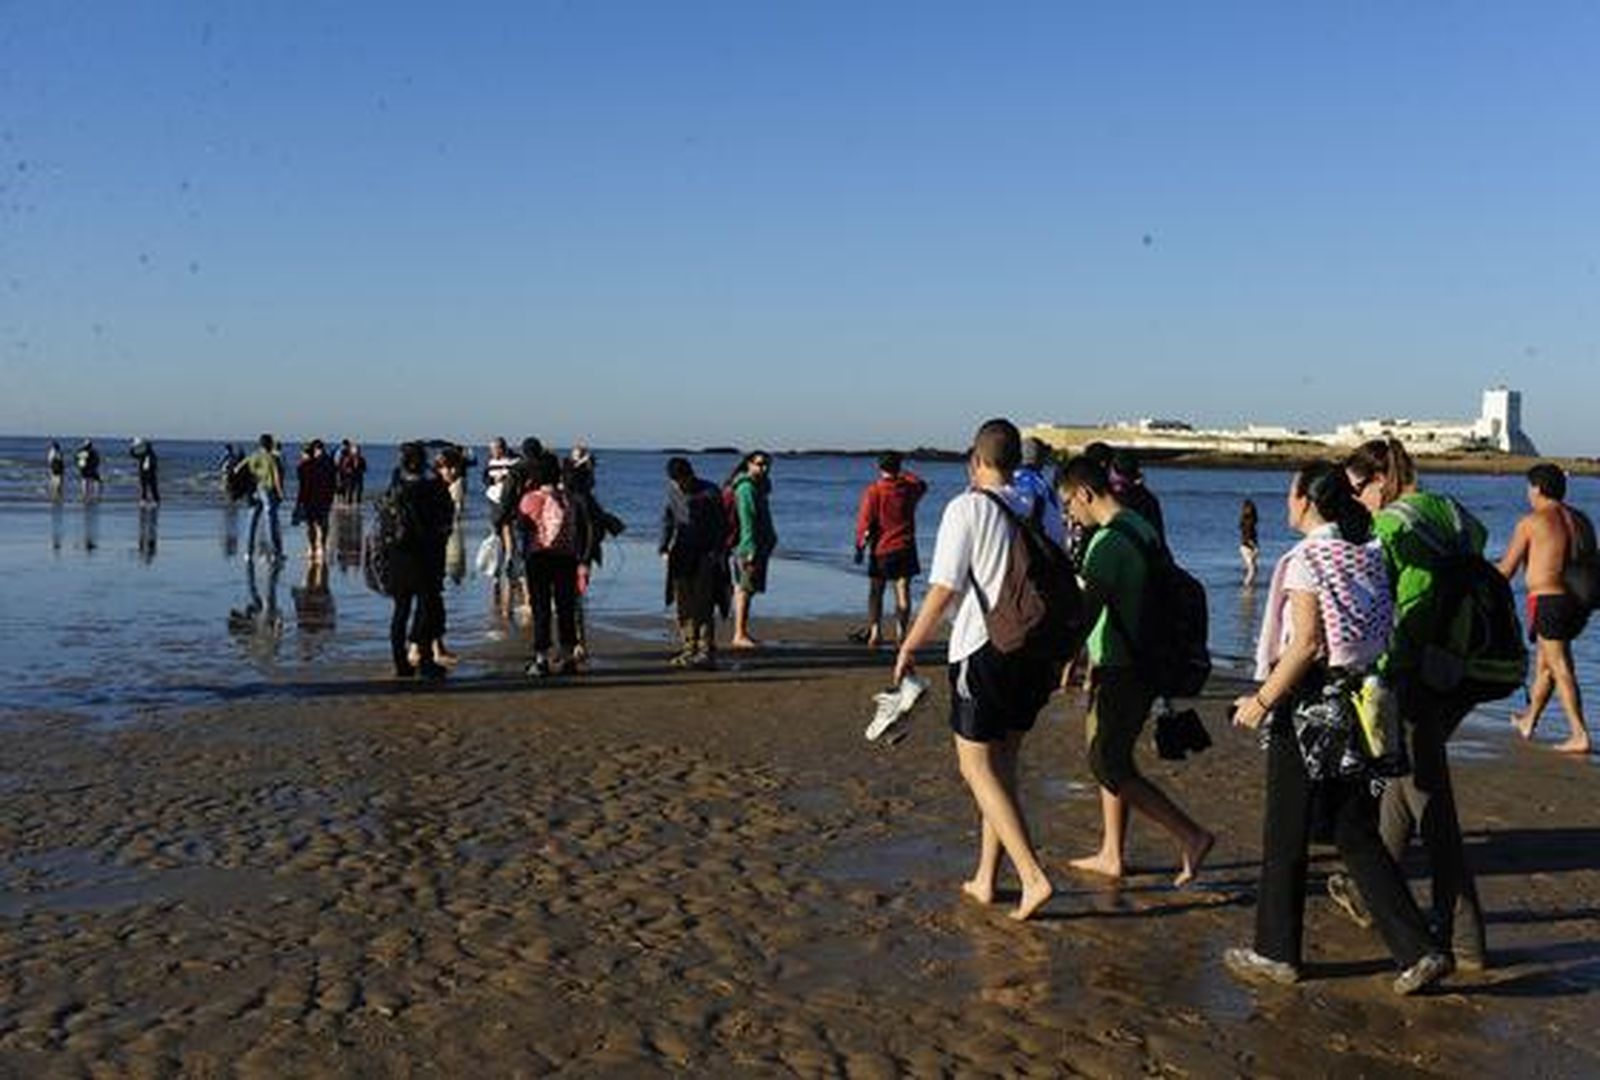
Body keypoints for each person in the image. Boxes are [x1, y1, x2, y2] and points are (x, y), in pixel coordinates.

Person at [1223, 463, 1451, 996]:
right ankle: (1418, 949)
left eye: (1290, 492)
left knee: (1285, 831)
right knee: (1352, 830)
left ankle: (1276, 952)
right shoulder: (1367, 553)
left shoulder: (1308, 560)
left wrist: (1260, 700)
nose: (1287, 501)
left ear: (1305, 500)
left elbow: (1303, 643)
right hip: (1360, 700)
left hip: (1309, 703)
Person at [893, 419, 1063, 921]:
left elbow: (944, 588)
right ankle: (988, 877)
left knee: (975, 766)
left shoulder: (966, 507)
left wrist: (909, 644)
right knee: (1003, 765)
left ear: (975, 459)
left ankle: (1032, 877)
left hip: (983, 647)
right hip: (1033, 650)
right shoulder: (1041, 504)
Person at [1335, 437, 1488, 970]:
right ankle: (1371, 893)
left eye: (1356, 489)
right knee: (1403, 782)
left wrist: (1385, 670)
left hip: (1419, 673)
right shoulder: (1448, 509)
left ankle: (1467, 939)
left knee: (1429, 802)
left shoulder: (1393, 525)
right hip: (1465, 664)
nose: (1353, 500)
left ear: (1379, 480)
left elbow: (1411, 608)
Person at [1059, 454, 1213, 886]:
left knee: (1106, 763)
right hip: (1146, 660)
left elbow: (1087, 613)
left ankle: (1191, 834)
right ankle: (1112, 853)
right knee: (1114, 754)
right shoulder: (1140, 525)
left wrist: (1064, 660)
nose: (1068, 513)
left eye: (1069, 503)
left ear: (1086, 493)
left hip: (1122, 665)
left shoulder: (1106, 544)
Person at [1497, 463, 1592, 754]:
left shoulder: (1532, 522)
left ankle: (1579, 734)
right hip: (1580, 602)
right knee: (1547, 664)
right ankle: (1529, 720)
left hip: (1549, 601)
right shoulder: (1581, 519)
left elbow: (1506, 570)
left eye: (1529, 487)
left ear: (1537, 489)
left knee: (1560, 665)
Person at [387, 442, 454, 679]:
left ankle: (400, 661)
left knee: (401, 610)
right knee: (426, 609)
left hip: (398, 553)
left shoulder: (396, 483)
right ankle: (425, 660)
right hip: (426, 554)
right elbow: (447, 516)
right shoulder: (433, 485)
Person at [660, 457, 729, 670]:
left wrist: (717, 553)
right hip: (680, 554)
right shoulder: (672, 491)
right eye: (675, 481)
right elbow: (668, 519)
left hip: (705, 555)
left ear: (690, 474)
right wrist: (663, 547)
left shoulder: (710, 492)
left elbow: (722, 525)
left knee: (704, 604)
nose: (679, 485)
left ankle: (705, 651)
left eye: (682, 480)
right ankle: (688, 648)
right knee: (683, 604)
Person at [853, 452, 928, 647]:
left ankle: (876, 631)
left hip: (882, 548)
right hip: (905, 546)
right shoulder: (909, 489)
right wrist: (904, 473)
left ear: (879, 468)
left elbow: (866, 521)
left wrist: (860, 544)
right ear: (899, 467)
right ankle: (901, 634)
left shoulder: (874, 490)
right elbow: (922, 484)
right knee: (903, 591)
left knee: (876, 591)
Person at [519, 453, 583, 677]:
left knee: (541, 609)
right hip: (566, 558)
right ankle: (567, 658)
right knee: (566, 608)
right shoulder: (568, 498)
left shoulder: (529, 499)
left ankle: (541, 659)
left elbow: (525, 530)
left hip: (539, 558)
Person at [729, 451, 778, 649]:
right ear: (749, 464)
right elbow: (747, 518)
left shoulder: (758, 486)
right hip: (748, 547)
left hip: (756, 545)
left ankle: (742, 632)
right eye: (759, 464)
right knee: (744, 589)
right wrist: (749, 548)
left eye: (767, 465)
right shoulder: (746, 488)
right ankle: (739, 634)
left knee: (746, 589)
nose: (764, 468)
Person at [240, 433, 285, 561]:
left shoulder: (253, 456)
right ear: (270, 444)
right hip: (268, 490)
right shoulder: (272, 458)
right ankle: (274, 553)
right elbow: (276, 476)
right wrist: (280, 493)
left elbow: (238, 469)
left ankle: (248, 553)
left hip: (255, 490)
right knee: (270, 521)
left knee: (252, 522)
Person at [294, 439, 338, 562]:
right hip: (323, 497)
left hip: (311, 498)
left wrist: (299, 501)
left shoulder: (305, 465)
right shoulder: (328, 462)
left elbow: (302, 485)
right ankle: (321, 546)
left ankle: (312, 546)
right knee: (321, 523)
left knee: (311, 524)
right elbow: (333, 481)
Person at [129, 438, 160, 506]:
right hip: (144, 472)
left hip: (150, 473)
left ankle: (155, 501)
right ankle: (144, 500)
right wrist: (132, 448)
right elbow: (134, 455)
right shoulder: (143, 454)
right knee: (144, 487)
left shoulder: (151, 455)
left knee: (152, 487)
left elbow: (154, 464)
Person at [1240, 498, 1260, 585]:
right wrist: (1254, 547)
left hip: (1246, 547)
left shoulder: (1245, 521)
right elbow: (1247, 538)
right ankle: (1246, 585)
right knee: (1252, 569)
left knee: (1251, 568)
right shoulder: (1249, 522)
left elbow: (1248, 537)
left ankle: (1249, 584)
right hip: (1247, 547)